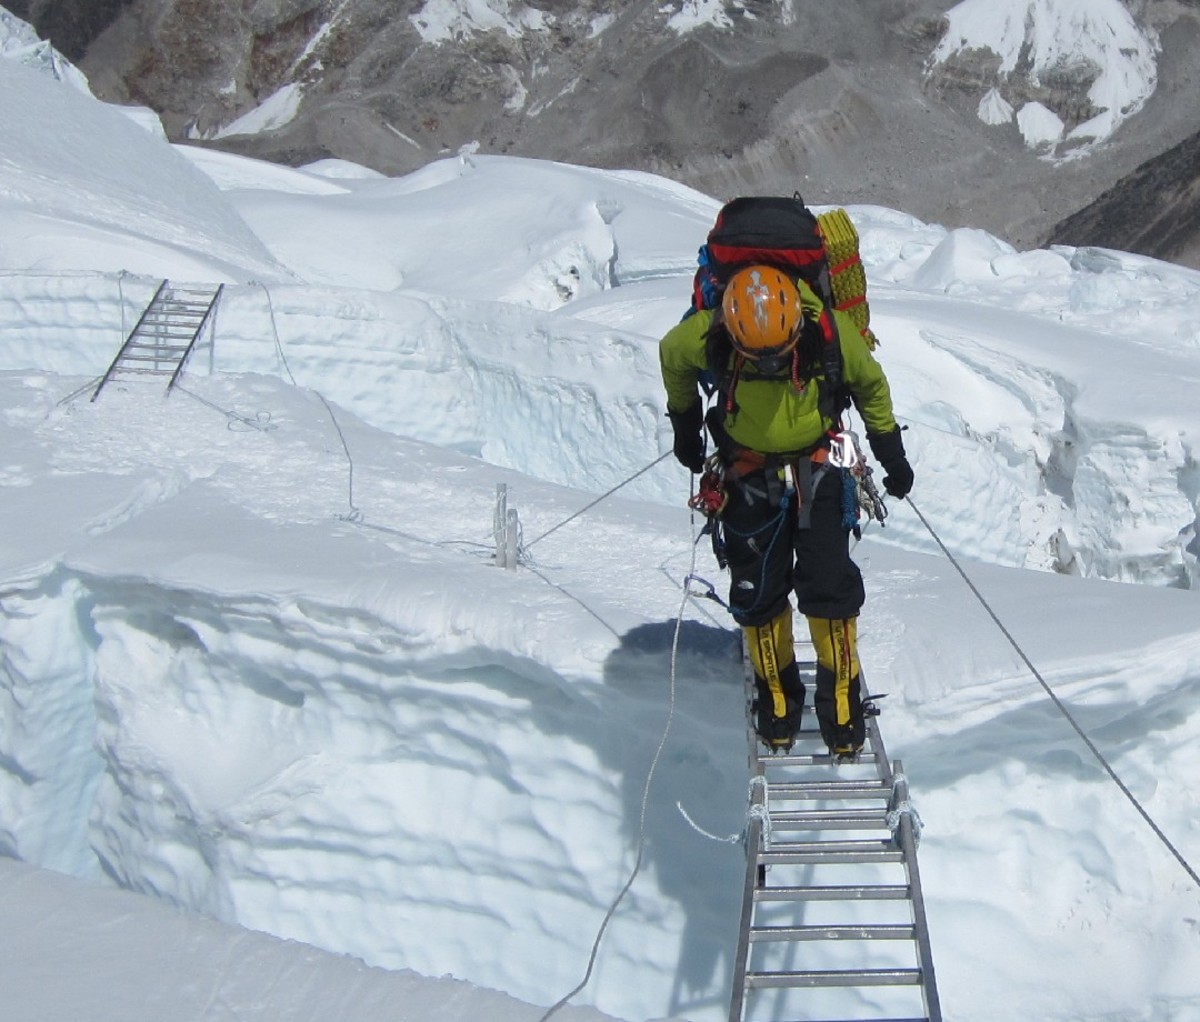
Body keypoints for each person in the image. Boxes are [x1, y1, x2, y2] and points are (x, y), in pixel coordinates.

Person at [659, 264, 913, 756]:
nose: (771, 362)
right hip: (748, 473)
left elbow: (869, 383)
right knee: (758, 589)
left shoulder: (826, 328)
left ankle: (837, 699)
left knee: (829, 582)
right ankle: (778, 696)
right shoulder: (710, 330)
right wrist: (684, 425)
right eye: (757, 354)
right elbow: (673, 355)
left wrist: (891, 452)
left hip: (814, 465)